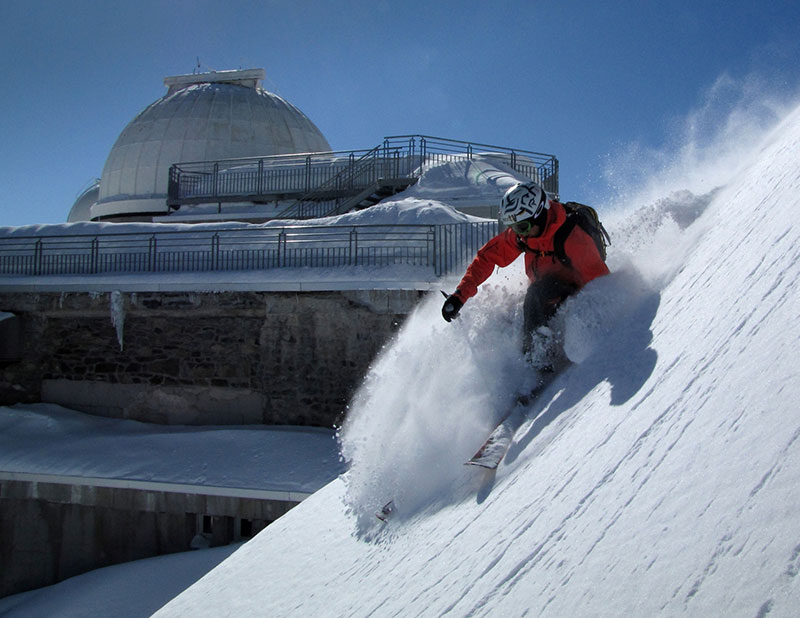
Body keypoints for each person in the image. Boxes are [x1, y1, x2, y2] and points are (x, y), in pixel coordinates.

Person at [441, 181, 609, 366]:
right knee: (514, 310)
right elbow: (487, 258)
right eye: (512, 227)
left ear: (539, 215)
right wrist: (460, 296)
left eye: (521, 227)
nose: (518, 234)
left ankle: (538, 364)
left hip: (574, 292)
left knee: (535, 296)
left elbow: (601, 285)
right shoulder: (525, 234)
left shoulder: (573, 238)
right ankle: (512, 366)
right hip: (546, 292)